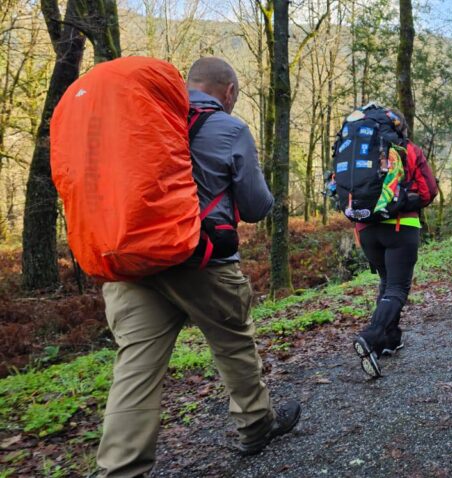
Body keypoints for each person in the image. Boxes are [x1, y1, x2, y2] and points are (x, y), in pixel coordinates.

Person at [96, 57, 300, 477]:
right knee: (232, 343)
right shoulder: (230, 128)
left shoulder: (138, 120)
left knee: (135, 367)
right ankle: (255, 425)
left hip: (131, 261)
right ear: (228, 91)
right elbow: (257, 206)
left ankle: (118, 469)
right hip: (202, 260)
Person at [351, 109, 438, 378]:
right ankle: (372, 336)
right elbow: (429, 190)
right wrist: (405, 201)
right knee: (398, 287)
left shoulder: (358, 153)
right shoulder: (407, 149)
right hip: (400, 227)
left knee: (387, 282)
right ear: (401, 128)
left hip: (365, 230)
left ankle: (390, 339)